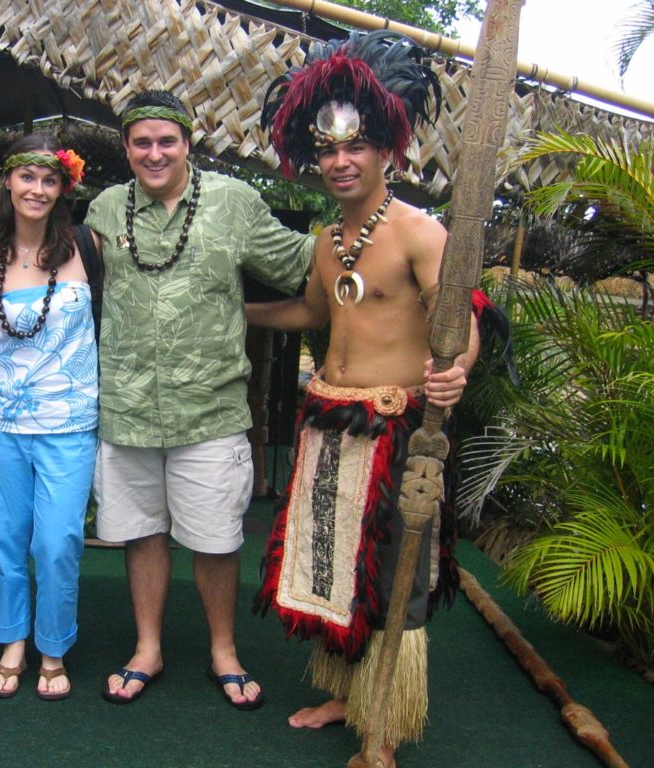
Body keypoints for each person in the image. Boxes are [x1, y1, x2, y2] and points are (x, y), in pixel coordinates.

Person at [0, 91, 314, 709]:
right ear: (126, 148)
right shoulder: (103, 210)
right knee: (142, 533)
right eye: (142, 142)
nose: (155, 153)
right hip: (123, 410)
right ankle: (147, 648)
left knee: (214, 538)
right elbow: (39, 250)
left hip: (207, 408)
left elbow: (303, 268)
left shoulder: (233, 203)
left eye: (167, 141)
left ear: (189, 142)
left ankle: (223, 653)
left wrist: (371, 242)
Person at [249, 31, 494, 768]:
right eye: (325, 151)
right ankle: (344, 693)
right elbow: (317, 316)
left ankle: (382, 727)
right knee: (332, 568)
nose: (339, 162)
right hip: (329, 421)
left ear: (387, 148)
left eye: (354, 148)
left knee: (394, 579)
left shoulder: (420, 232)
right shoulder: (328, 241)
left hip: (397, 431)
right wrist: (238, 314)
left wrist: (455, 370)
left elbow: (464, 321)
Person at [0, 134, 95, 702]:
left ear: (64, 188)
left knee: (59, 541)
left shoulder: (88, 245)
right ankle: (13, 641)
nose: (37, 189)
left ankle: (54, 644)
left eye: (49, 180)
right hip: (1, 423)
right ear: (9, 184)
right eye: (27, 178)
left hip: (70, 420)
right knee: (6, 538)